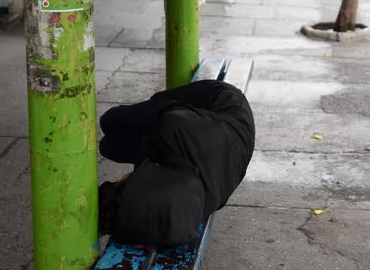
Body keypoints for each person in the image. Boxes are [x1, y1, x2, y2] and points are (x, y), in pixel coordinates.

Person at [98, 78, 255, 248]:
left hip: (223, 143)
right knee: (109, 123)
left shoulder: (188, 198)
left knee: (109, 141)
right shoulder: (173, 132)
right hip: (220, 102)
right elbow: (171, 116)